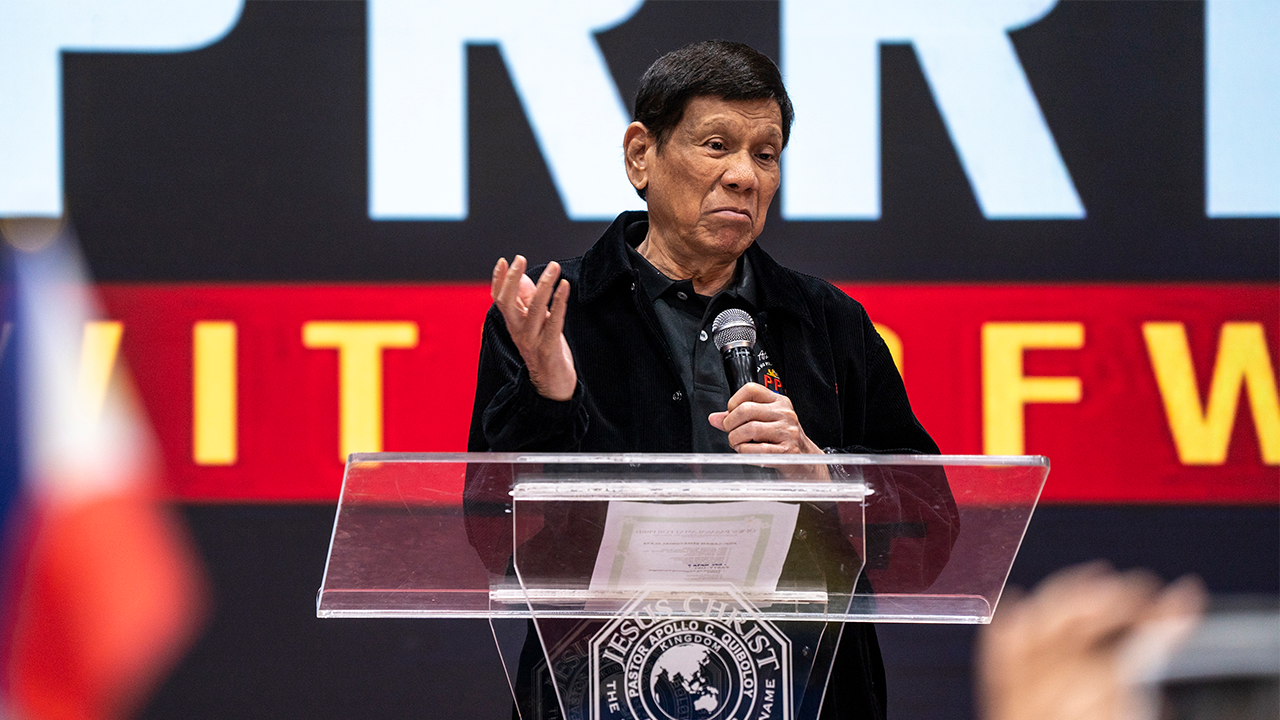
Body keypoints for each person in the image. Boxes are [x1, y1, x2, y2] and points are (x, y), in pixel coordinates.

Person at [468, 40, 956, 720]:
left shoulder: (828, 322)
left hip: (805, 693)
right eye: (717, 146)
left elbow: (930, 535)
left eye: (766, 154)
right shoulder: (553, 318)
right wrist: (550, 396)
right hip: (602, 692)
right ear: (641, 155)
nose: (744, 176)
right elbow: (495, 534)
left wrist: (825, 472)